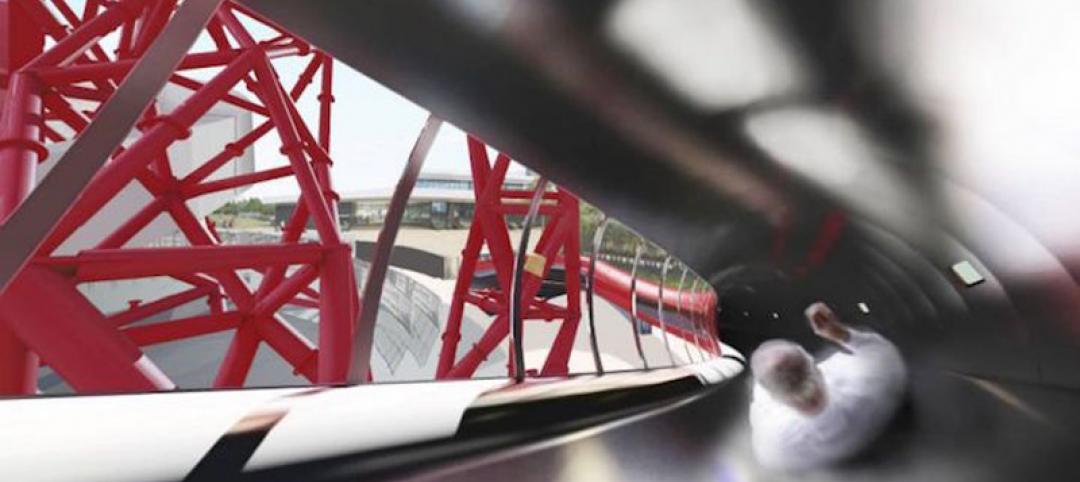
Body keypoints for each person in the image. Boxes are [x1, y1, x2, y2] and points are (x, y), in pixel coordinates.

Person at [748, 302, 907, 471]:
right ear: (814, 365)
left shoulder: (774, 443)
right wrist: (838, 333)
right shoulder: (868, 380)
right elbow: (883, 353)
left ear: (773, 396)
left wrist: (772, 383)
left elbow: (768, 460)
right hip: (885, 436)